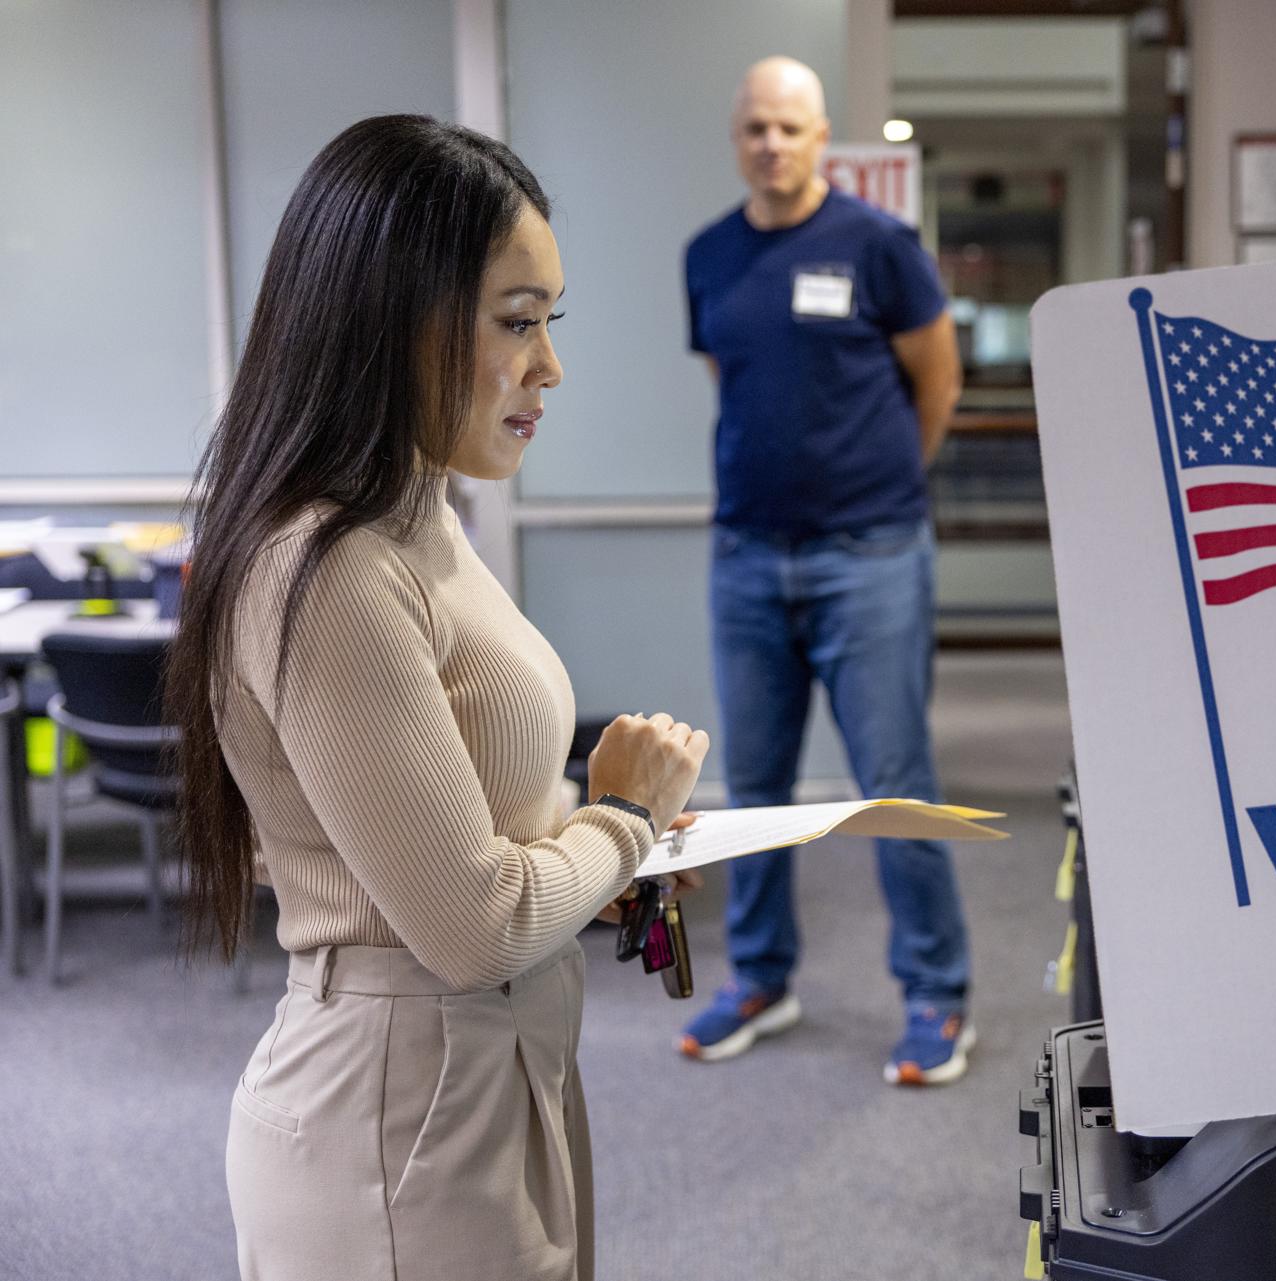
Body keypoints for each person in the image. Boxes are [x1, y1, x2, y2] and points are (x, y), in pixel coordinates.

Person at [166, 115, 709, 1281]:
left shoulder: (420, 516)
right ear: (390, 320)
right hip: (400, 1110)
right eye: (518, 323)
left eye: (551, 323)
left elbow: (466, 826)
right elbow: (468, 926)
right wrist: (619, 825)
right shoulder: (325, 568)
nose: (549, 366)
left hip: (484, 1073)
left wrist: (603, 862)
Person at [680, 56, 973, 1085]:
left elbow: (935, 381)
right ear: (738, 137)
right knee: (752, 788)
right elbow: (738, 382)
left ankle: (939, 994)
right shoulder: (709, 256)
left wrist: (877, 493)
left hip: (872, 556)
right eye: (756, 126)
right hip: (748, 557)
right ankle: (761, 976)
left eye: (791, 128)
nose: (772, 144)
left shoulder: (879, 246)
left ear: (820, 137)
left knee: (894, 786)